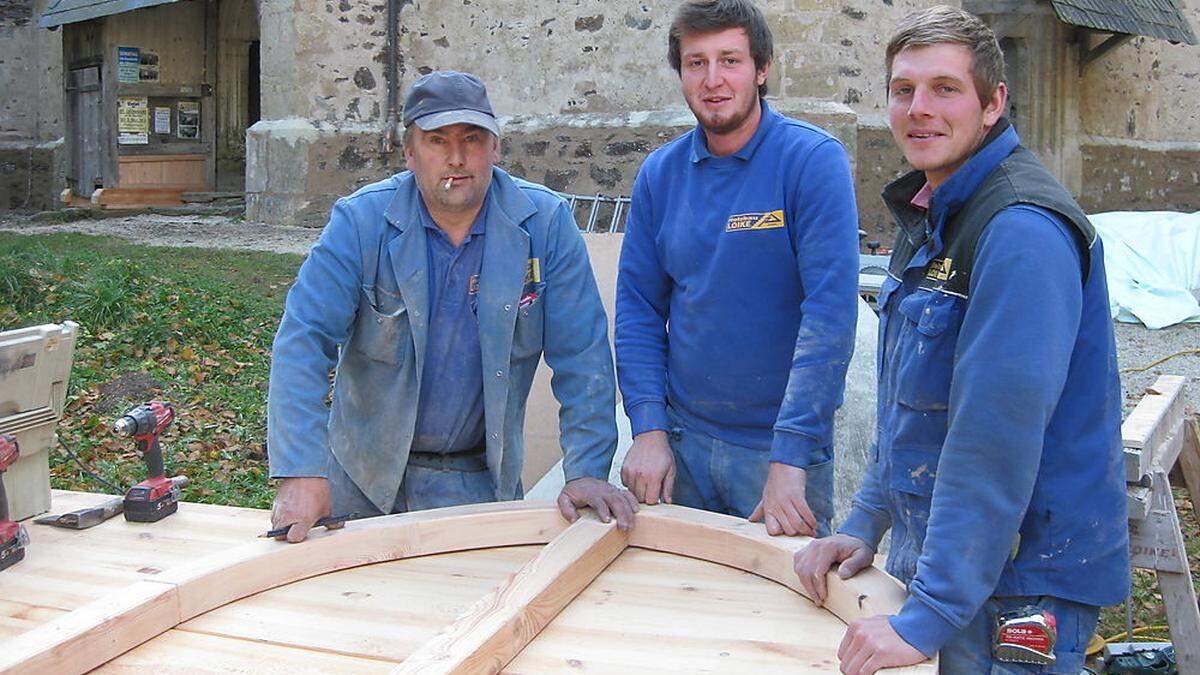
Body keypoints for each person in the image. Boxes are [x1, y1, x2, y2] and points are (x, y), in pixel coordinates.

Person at [793, 6, 1129, 674]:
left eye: (945, 89)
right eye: (904, 89)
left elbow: (992, 442)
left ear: (993, 103)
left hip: (1021, 579)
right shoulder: (936, 212)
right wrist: (864, 521)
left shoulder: (1019, 231)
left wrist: (930, 615)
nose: (919, 109)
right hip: (962, 567)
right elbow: (911, 408)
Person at [267, 71, 637, 543]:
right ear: (409, 153)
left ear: (497, 148)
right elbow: (303, 341)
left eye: (472, 139)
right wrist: (301, 470)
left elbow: (583, 356)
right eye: (437, 140)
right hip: (360, 479)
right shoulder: (360, 223)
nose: (457, 158)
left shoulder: (544, 225)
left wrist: (585, 469)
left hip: (477, 482)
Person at [615, 0, 859, 537]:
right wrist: (649, 428)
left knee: (782, 614)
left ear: (762, 68)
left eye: (730, 60)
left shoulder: (810, 162)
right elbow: (637, 309)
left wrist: (791, 457)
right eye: (696, 62)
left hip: (777, 456)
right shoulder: (661, 174)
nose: (713, 79)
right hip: (683, 446)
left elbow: (830, 318)